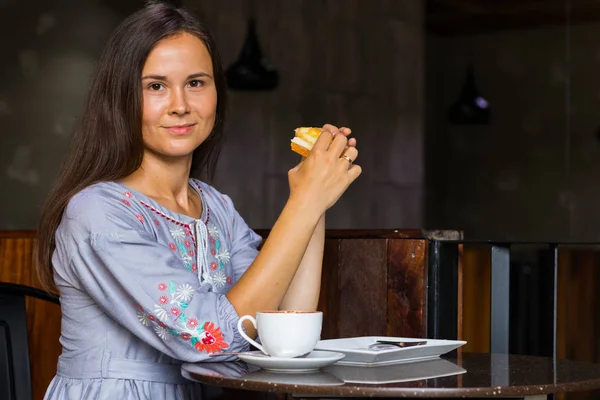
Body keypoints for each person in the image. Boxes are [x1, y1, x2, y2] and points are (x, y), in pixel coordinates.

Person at [35, 1, 361, 399]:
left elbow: (281, 329)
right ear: (121, 98)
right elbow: (211, 337)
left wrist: (315, 202)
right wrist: (304, 204)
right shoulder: (98, 212)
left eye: (196, 83)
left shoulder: (216, 207)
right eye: (155, 86)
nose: (180, 105)